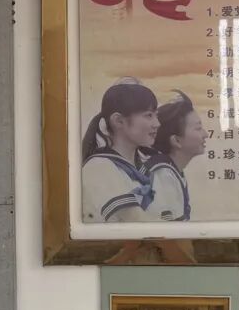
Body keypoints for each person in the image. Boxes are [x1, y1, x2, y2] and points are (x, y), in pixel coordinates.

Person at [81, 80, 160, 222]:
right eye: (149, 115)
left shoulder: (143, 169)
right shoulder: (99, 167)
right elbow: (137, 221)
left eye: (156, 115)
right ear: (118, 121)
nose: (157, 123)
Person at [144, 90, 206, 221]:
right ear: (176, 141)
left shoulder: (171, 171)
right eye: (198, 128)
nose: (205, 134)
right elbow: (168, 230)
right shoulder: (162, 174)